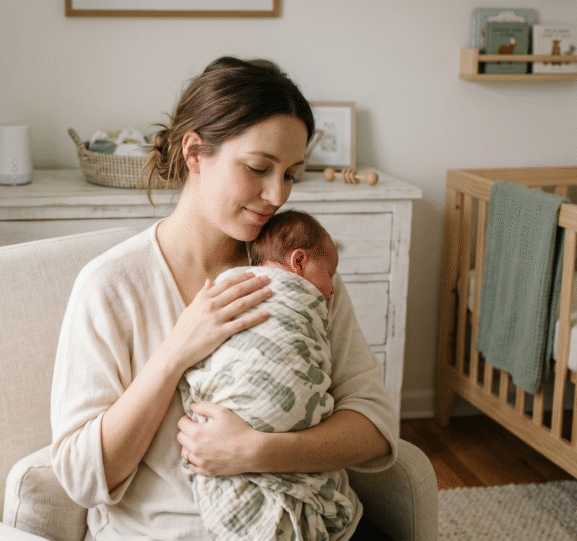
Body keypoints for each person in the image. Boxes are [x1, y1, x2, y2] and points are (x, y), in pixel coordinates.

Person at [50, 56, 397, 541]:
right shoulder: (111, 286)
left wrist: (257, 451)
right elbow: (81, 476)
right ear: (194, 152)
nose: (277, 195)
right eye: (258, 168)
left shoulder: (299, 277)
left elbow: (376, 427)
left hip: (309, 526)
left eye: (292, 174)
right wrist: (174, 354)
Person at [178, 209, 348, 540]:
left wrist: (255, 449)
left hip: (263, 450)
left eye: (290, 175)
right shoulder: (230, 293)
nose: (331, 291)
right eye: (329, 274)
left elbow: (310, 364)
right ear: (298, 262)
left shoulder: (304, 300)